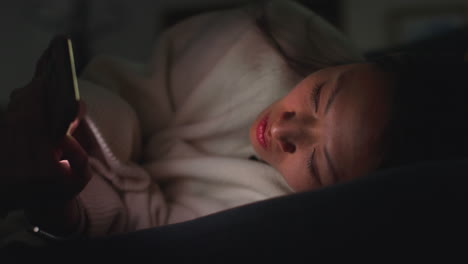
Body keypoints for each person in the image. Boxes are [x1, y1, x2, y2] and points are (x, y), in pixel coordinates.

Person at [1, 0, 467, 245]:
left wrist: (63, 205)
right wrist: (80, 125)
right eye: (321, 95)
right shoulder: (267, 38)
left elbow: (145, 227)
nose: (284, 129)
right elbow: (133, 92)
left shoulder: (274, 222)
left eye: (317, 162)